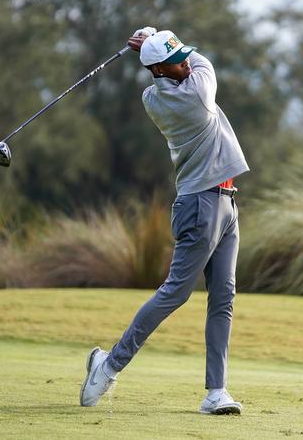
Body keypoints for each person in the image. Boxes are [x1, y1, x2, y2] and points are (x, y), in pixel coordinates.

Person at [79, 27, 249, 415]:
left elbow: (183, 59)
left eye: (183, 55)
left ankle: (216, 392)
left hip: (226, 201)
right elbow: (204, 61)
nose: (185, 62)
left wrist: (155, 42)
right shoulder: (198, 93)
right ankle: (109, 366)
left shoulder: (151, 96)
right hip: (201, 205)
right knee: (175, 292)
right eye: (176, 61)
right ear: (159, 70)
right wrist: (153, 35)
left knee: (224, 296)